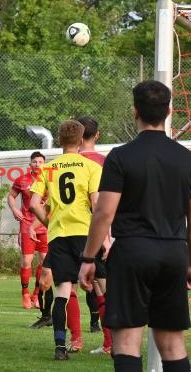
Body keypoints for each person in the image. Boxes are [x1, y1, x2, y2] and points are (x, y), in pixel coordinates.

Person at [79, 80, 191, 372]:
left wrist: (89, 257)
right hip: (174, 252)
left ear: (135, 111)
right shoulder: (189, 161)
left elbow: (103, 213)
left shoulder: (121, 157)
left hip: (132, 252)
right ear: (169, 111)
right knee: (173, 345)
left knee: (126, 344)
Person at [29, 120, 102, 361]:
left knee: (63, 292)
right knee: (101, 286)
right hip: (85, 233)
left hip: (59, 235)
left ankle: (60, 347)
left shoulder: (48, 168)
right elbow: (96, 204)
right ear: (81, 141)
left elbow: (33, 203)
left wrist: (49, 222)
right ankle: (114, 343)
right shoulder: (90, 166)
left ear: (59, 141)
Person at [77, 115, 112, 355]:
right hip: (100, 230)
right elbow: (106, 203)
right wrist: (109, 235)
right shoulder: (106, 162)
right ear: (97, 135)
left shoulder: (67, 161)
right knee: (103, 288)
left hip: (73, 231)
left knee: (71, 288)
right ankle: (110, 343)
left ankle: (76, 340)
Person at [7, 151, 51, 313]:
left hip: (45, 224)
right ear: (30, 164)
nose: (37, 164)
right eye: (35, 161)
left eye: (40, 162)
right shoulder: (22, 179)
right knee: (26, 261)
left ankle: (36, 295)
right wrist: (14, 209)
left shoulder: (49, 179)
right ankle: (25, 294)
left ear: (44, 164)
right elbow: (11, 196)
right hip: (27, 224)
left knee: (45, 262)